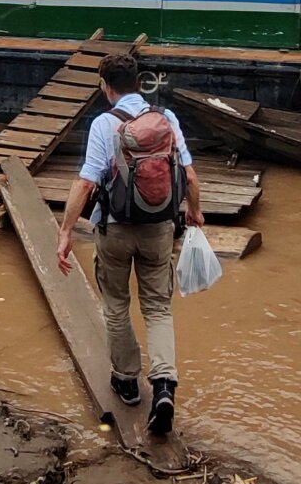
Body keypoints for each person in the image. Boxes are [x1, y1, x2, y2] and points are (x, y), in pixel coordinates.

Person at [55, 53, 202, 435]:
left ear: (107, 87)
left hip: (115, 231)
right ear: (140, 82)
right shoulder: (166, 119)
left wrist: (65, 231)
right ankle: (165, 385)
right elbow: (188, 174)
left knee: (116, 305)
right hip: (159, 230)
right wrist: (196, 213)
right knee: (157, 308)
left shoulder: (104, 123)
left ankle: (127, 382)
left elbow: (86, 181)